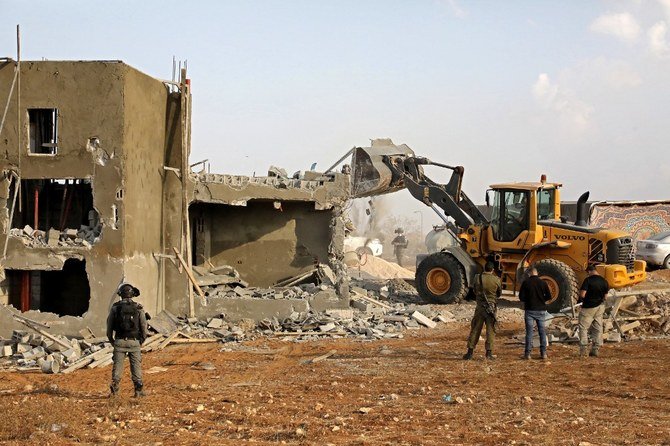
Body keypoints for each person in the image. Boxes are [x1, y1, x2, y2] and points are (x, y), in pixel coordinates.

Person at [107, 282, 148, 397]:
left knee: (118, 366)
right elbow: (144, 327)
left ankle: (115, 392)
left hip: (119, 341)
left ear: (120, 294)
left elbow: (109, 327)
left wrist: (112, 341)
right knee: (136, 366)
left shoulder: (115, 308)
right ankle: (138, 391)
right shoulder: (139, 307)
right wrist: (141, 340)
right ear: (132, 294)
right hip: (134, 342)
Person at [463, 261, 502, 360]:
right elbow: (499, 293)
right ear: (493, 270)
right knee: (490, 330)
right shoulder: (496, 280)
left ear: (484, 268)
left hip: (480, 308)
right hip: (491, 309)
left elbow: (475, 291)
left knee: (475, 329)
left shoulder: (477, 278)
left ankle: (470, 352)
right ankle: (489, 353)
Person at [518, 267, 552, 360]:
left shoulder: (526, 282)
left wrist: (529, 300)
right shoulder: (543, 283)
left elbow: (521, 297)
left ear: (529, 274)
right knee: (542, 332)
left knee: (529, 332)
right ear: (537, 273)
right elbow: (549, 296)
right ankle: (543, 353)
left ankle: (527, 354)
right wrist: (541, 300)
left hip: (530, 310)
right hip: (541, 310)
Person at [577, 265, 610, 357]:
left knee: (583, 327)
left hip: (588, 307)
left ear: (589, 271)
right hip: (600, 307)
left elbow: (582, 294)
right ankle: (595, 349)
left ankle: (583, 350)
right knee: (597, 328)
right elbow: (605, 297)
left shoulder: (588, 280)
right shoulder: (604, 281)